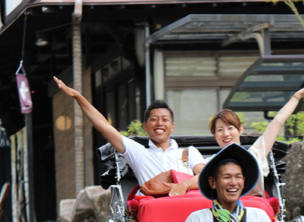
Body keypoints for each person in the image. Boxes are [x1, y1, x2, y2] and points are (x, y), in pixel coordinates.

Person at [53, 77, 205, 196]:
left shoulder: (188, 153)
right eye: (154, 119)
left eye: (165, 119)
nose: (159, 123)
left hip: (187, 212)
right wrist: (78, 96)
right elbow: (104, 126)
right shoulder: (139, 153)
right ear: (145, 126)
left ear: (172, 127)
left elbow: (206, 176)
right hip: (154, 214)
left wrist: (183, 185)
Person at [208, 79, 304, 193]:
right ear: (215, 135)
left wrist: (297, 96)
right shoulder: (210, 163)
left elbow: (278, 121)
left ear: (240, 129)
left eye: (230, 128)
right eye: (220, 130)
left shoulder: (254, 154)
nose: (226, 134)